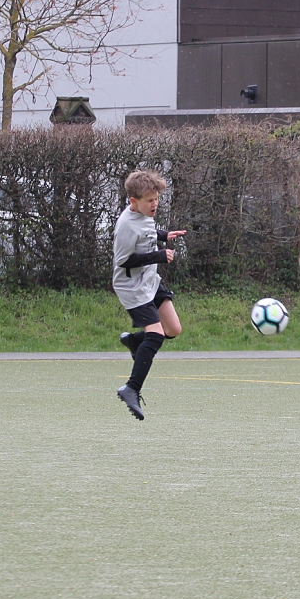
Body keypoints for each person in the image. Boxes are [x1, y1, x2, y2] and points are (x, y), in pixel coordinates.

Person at [112, 170, 185, 420]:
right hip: (132, 287)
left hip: (149, 280)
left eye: (156, 199)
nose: (154, 204)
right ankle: (131, 388)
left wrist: (165, 235)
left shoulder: (143, 213)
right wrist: (159, 255)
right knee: (155, 334)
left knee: (172, 329)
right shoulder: (126, 225)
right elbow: (124, 261)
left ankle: (134, 341)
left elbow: (147, 232)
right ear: (133, 201)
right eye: (149, 200)